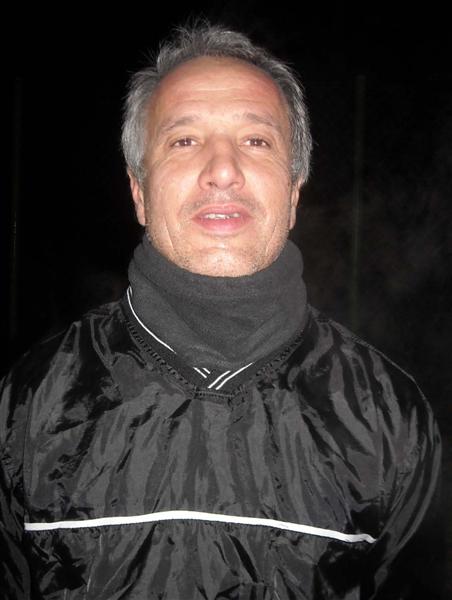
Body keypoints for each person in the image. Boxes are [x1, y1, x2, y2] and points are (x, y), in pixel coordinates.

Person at [0, 22, 441, 600]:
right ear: (139, 191)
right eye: (184, 141)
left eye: (256, 141)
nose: (223, 170)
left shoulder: (389, 416)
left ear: (294, 191)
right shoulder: (30, 404)